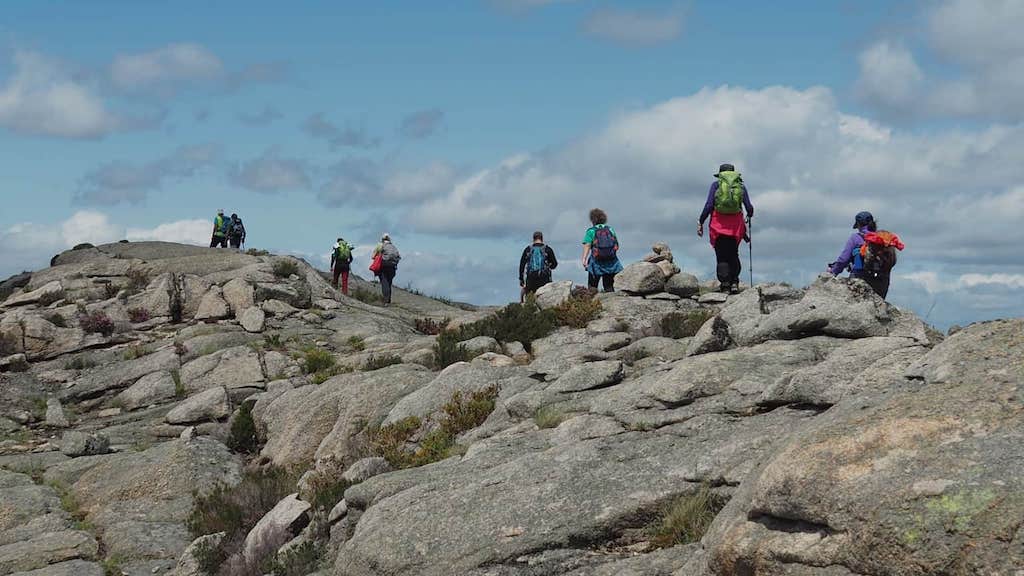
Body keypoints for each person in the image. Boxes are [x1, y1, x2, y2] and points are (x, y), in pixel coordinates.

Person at [698, 163, 754, 294]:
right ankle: (734, 282)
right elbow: (749, 207)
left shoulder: (716, 185)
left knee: (722, 256)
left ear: (720, 174)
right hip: (736, 226)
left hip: (718, 226)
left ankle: (725, 285)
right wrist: (749, 215)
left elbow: (708, 205)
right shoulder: (740, 186)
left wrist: (701, 221)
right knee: (733, 253)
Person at [828, 211, 902, 299]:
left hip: (860, 280)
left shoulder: (855, 238)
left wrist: (833, 272)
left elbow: (843, 260)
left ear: (858, 225)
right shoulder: (883, 240)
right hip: (881, 282)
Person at [581, 208, 622, 293]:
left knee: (592, 286)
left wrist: (584, 259)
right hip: (611, 263)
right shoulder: (610, 229)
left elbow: (587, 245)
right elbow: (616, 245)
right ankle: (611, 304)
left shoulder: (591, 231)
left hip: (596, 263)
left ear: (592, 219)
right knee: (609, 287)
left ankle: (592, 305)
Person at [519, 231, 558, 300]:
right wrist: (549, 266)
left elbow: (522, 265)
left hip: (531, 278)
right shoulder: (547, 249)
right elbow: (555, 264)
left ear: (533, 239)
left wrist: (521, 279)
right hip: (544, 278)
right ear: (542, 239)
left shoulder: (528, 249)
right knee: (544, 299)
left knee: (530, 300)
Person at [373, 233, 401, 306]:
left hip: (384, 266)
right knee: (389, 282)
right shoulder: (393, 247)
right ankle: (388, 300)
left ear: (382, 239)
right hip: (393, 267)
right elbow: (399, 257)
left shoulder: (380, 245)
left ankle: (386, 301)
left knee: (384, 282)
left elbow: (373, 256)